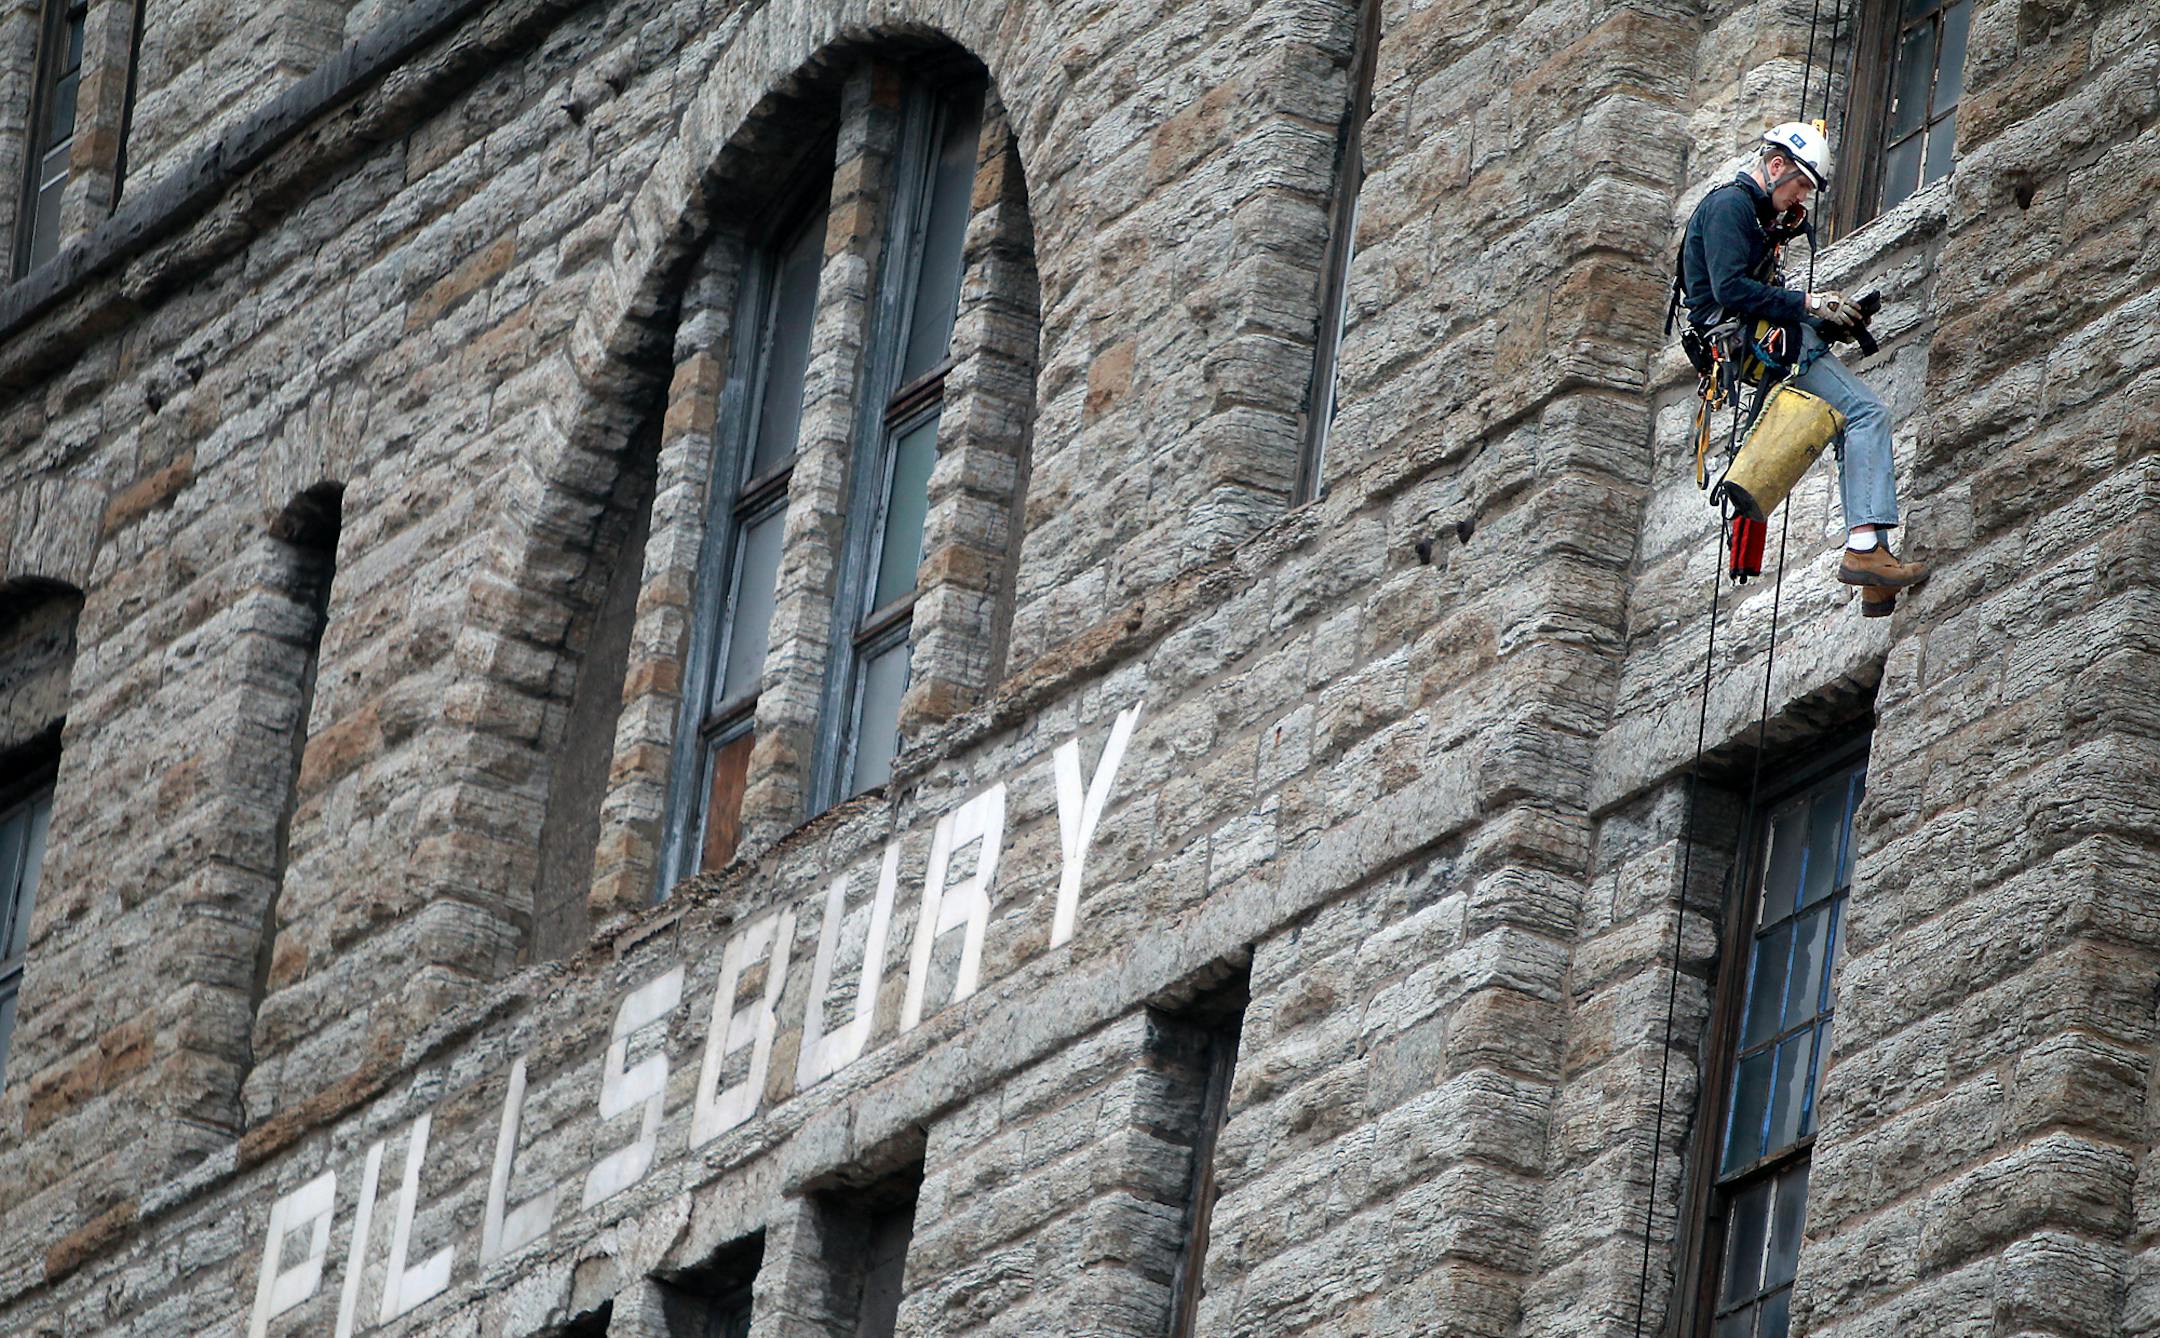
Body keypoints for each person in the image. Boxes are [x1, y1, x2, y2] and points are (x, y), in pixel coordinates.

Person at [1679, 122, 1929, 602]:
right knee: (1865, 412)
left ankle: (1872, 555)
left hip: (1766, 339)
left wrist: (1826, 319)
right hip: (1762, 342)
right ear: (1776, 168)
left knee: (1847, 423)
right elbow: (1730, 289)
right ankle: (1863, 550)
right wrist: (1810, 306)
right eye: (1800, 186)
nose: (1801, 200)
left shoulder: (1751, 215)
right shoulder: (1730, 206)